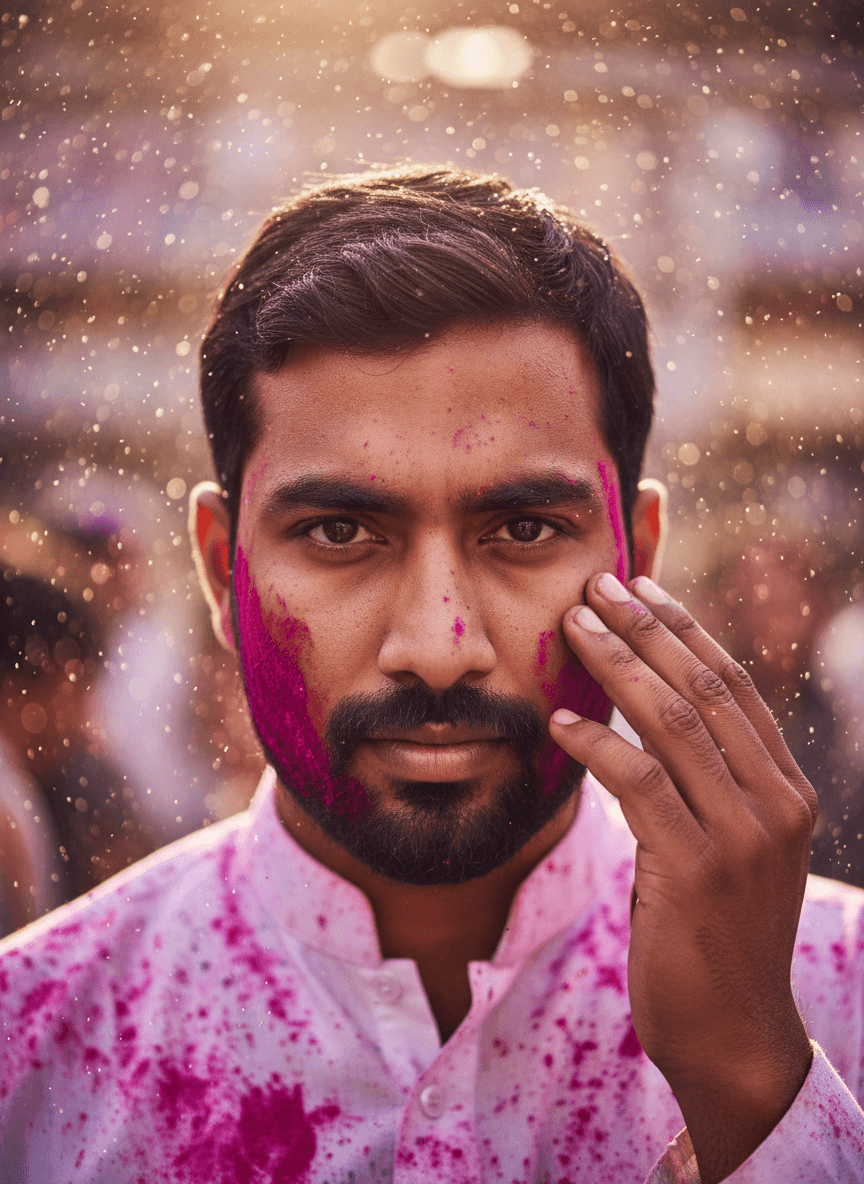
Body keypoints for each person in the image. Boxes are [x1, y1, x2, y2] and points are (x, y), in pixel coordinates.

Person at [0, 166, 861, 1184]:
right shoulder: (33, 1043)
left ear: (641, 555)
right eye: (340, 530)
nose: (440, 642)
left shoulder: (836, 993)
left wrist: (754, 1087)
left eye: (526, 527)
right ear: (219, 571)